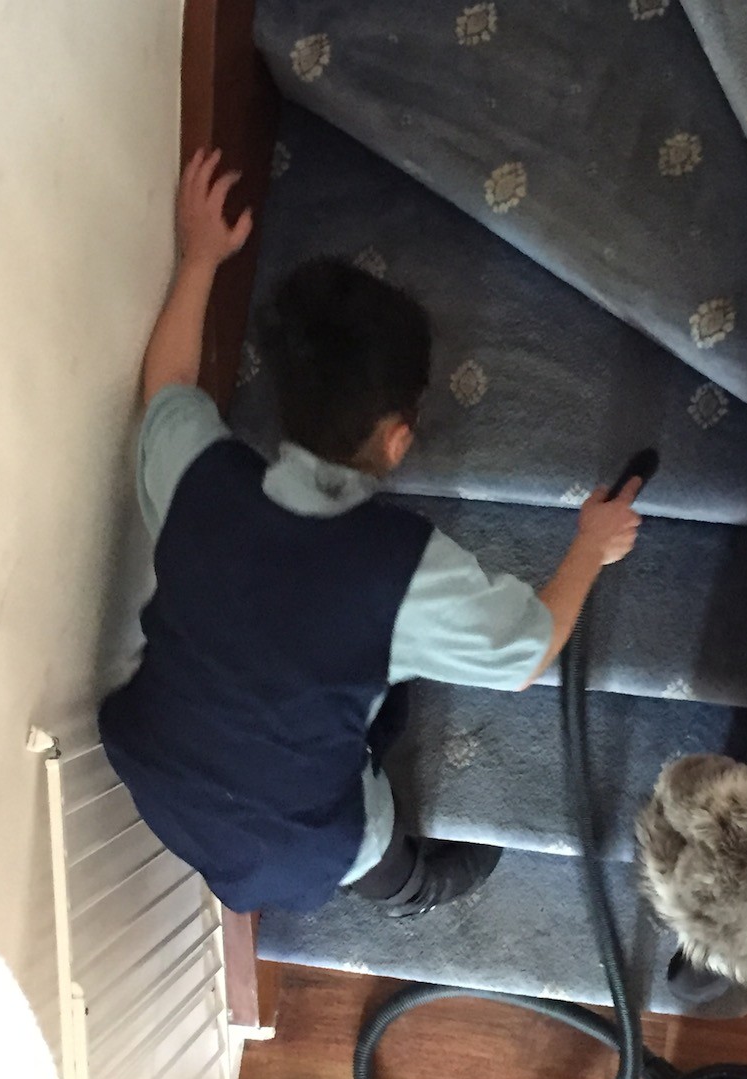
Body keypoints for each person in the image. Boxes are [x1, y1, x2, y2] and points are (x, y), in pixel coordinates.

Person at [99, 148, 642, 920]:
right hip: (297, 834)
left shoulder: (198, 476)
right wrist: (592, 545)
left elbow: (167, 390)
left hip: (156, 759)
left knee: (363, 675)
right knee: (375, 849)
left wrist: (200, 260)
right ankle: (412, 889)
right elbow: (526, 652)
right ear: (397, 437)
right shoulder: (404, 571)